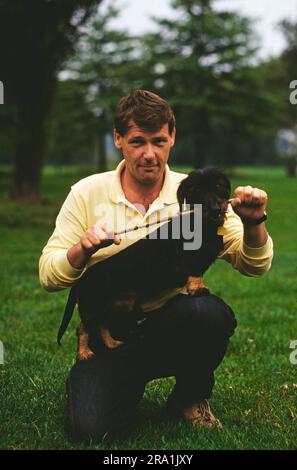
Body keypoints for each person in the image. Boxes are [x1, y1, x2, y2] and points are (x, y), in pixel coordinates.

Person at [39, 90, 273, 443]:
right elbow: (48, 274)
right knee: (89, 429)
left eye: (159, 141)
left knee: (207, 312)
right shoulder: (87, 192)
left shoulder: (195, 192)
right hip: (111, 329)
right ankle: (117, 383)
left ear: (172, 138)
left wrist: (255, 223)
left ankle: (188, 397)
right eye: (137, 142)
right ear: (118, 139)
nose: (150, 154)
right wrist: (81, 249)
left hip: (170, 322)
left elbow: (252, 263)